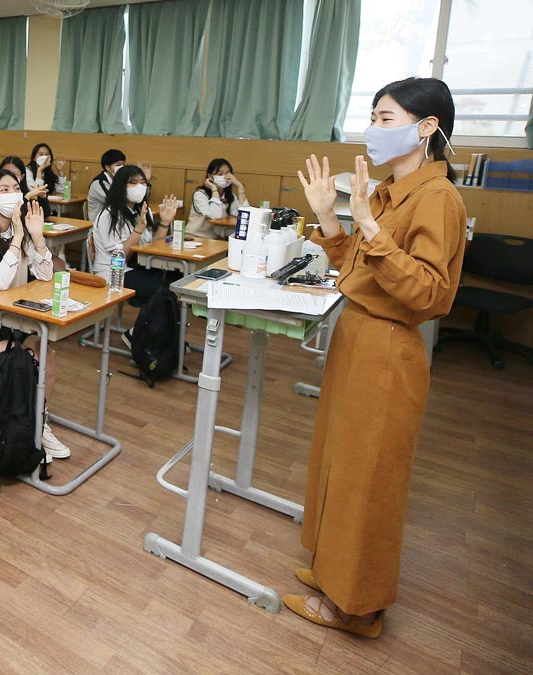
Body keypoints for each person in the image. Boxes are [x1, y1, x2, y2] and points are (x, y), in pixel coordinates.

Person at [288, 77, 466, 638]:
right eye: (372, 116)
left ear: (427, 127)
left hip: (389, 349)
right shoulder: (391, 191)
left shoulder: (438, 198)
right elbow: (356, 271)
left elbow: (433, 293)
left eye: (386, 118)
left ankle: (357, 607)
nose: (373, 128)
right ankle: (332, 571)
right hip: (357, 337)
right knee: (340, 462)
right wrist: (333, 220)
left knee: (369, 477)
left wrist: (366, 225)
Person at [0, 169, 70, 461]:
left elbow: (45, 275)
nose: (13, 194)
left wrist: (36, 236)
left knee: (47, 356)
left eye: (15, 187)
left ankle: (38, 424)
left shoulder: (18, 229)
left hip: (10, 320)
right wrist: (19, 238)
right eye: (4, 189)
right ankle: (22, 428)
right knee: (25, 362)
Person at [91, 165, 179, 302]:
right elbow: (120, 257)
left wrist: (164, 223)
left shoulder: (142, 211)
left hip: (139, 266)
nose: (139, 187)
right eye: (133, 183)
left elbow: (153, 246)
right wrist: (138, 230)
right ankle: (150, 323)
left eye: (143, 183)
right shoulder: (109, 215)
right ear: (121, 186)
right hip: (115, 273)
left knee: (178, 281)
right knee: (164, 290)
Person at [186, 158, 248, 239]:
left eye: (228, 173)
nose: (225, 177)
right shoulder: (200, 195)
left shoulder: (230, 196)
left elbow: (244, 214)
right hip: (195, 237)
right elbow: (216, 215)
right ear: (210, 176)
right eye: (220, 174)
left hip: (216, 240)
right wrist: (214, 189)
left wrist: (240, 186)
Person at [86, 149, 125, 221]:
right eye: (118, 165)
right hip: (98, 227)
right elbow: (117, 202)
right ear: (107, 167)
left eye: (123, 165)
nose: (122, 168)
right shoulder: (98, 183)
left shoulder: (118, 180)